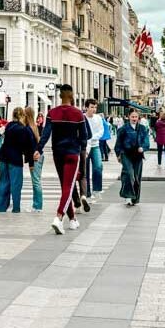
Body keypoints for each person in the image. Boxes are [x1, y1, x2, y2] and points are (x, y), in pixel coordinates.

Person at [34, 84, 88, 235]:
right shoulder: (78, 114)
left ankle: (72, 220)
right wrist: (82, 149)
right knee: (68, 187)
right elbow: (84, 137)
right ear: (72, 96)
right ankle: (58, 217)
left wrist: (38, 149)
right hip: (72, 153)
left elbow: (45, 133)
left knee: (66, 186)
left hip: (57, 153)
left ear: (60, 96)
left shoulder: (52, 113)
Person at [0, 107, 38, 213]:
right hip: (15, 159)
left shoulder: (9, 126)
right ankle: (15, 208)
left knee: (3, 183)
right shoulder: (23, 129)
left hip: (4, 157)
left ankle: (0, 207)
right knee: (16, 185)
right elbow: (29, 147)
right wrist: (31, 163)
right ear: (23, 116)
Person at [115, 109, 150, 205]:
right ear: (128, 117)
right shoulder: (123, 129)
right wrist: (118, 154)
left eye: (136, 117)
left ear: (138, 117)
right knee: (129, 174)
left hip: (138, 155)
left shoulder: (142, 128)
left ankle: (135, 198)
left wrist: (143, 148)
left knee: (137, 177)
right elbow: (118, 143)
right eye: (132, 116)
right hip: (126, 154)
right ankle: (128, 196)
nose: (134, 119)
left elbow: (146, 141)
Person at [84, 99, 104, 201]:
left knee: (98, 167)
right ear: (86, 107)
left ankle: (97, 189)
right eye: (92, 107)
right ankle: (87, 192)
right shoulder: (83, 118)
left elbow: (101, 132)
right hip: (85, 147)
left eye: (95, 107)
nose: (94, 109)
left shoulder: (98, 118)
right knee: (85, 170)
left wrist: (92, 137)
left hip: (95, 145)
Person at [23, 106, 43, 213]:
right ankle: (36, 205)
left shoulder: (28, 128)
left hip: (34, 157)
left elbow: (30, 147)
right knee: (37, 181)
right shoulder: (34, 126)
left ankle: (37, 206)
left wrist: (30, 163)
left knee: (36, 182)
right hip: (39, 155)